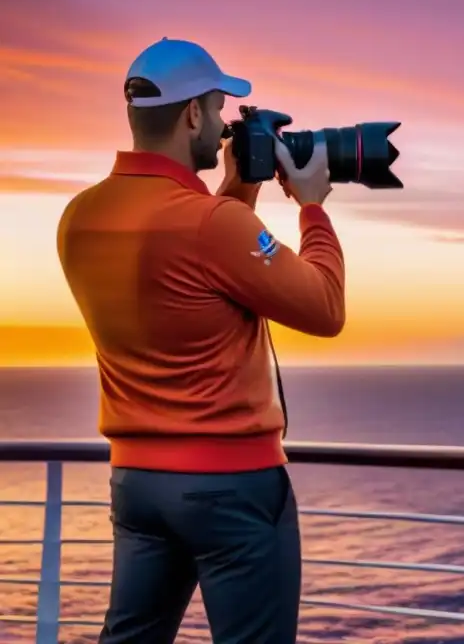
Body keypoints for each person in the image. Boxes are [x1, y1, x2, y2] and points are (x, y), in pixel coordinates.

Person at [56, 38, 346, 643]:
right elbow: (324, 308)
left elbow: (193, 270)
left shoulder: (79, 216)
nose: (221, 130)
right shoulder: (213, 224)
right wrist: (313, 209)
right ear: (192, 114)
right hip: (231, 487)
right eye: (218, 110)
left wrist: (239, 191)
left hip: (139, 486)